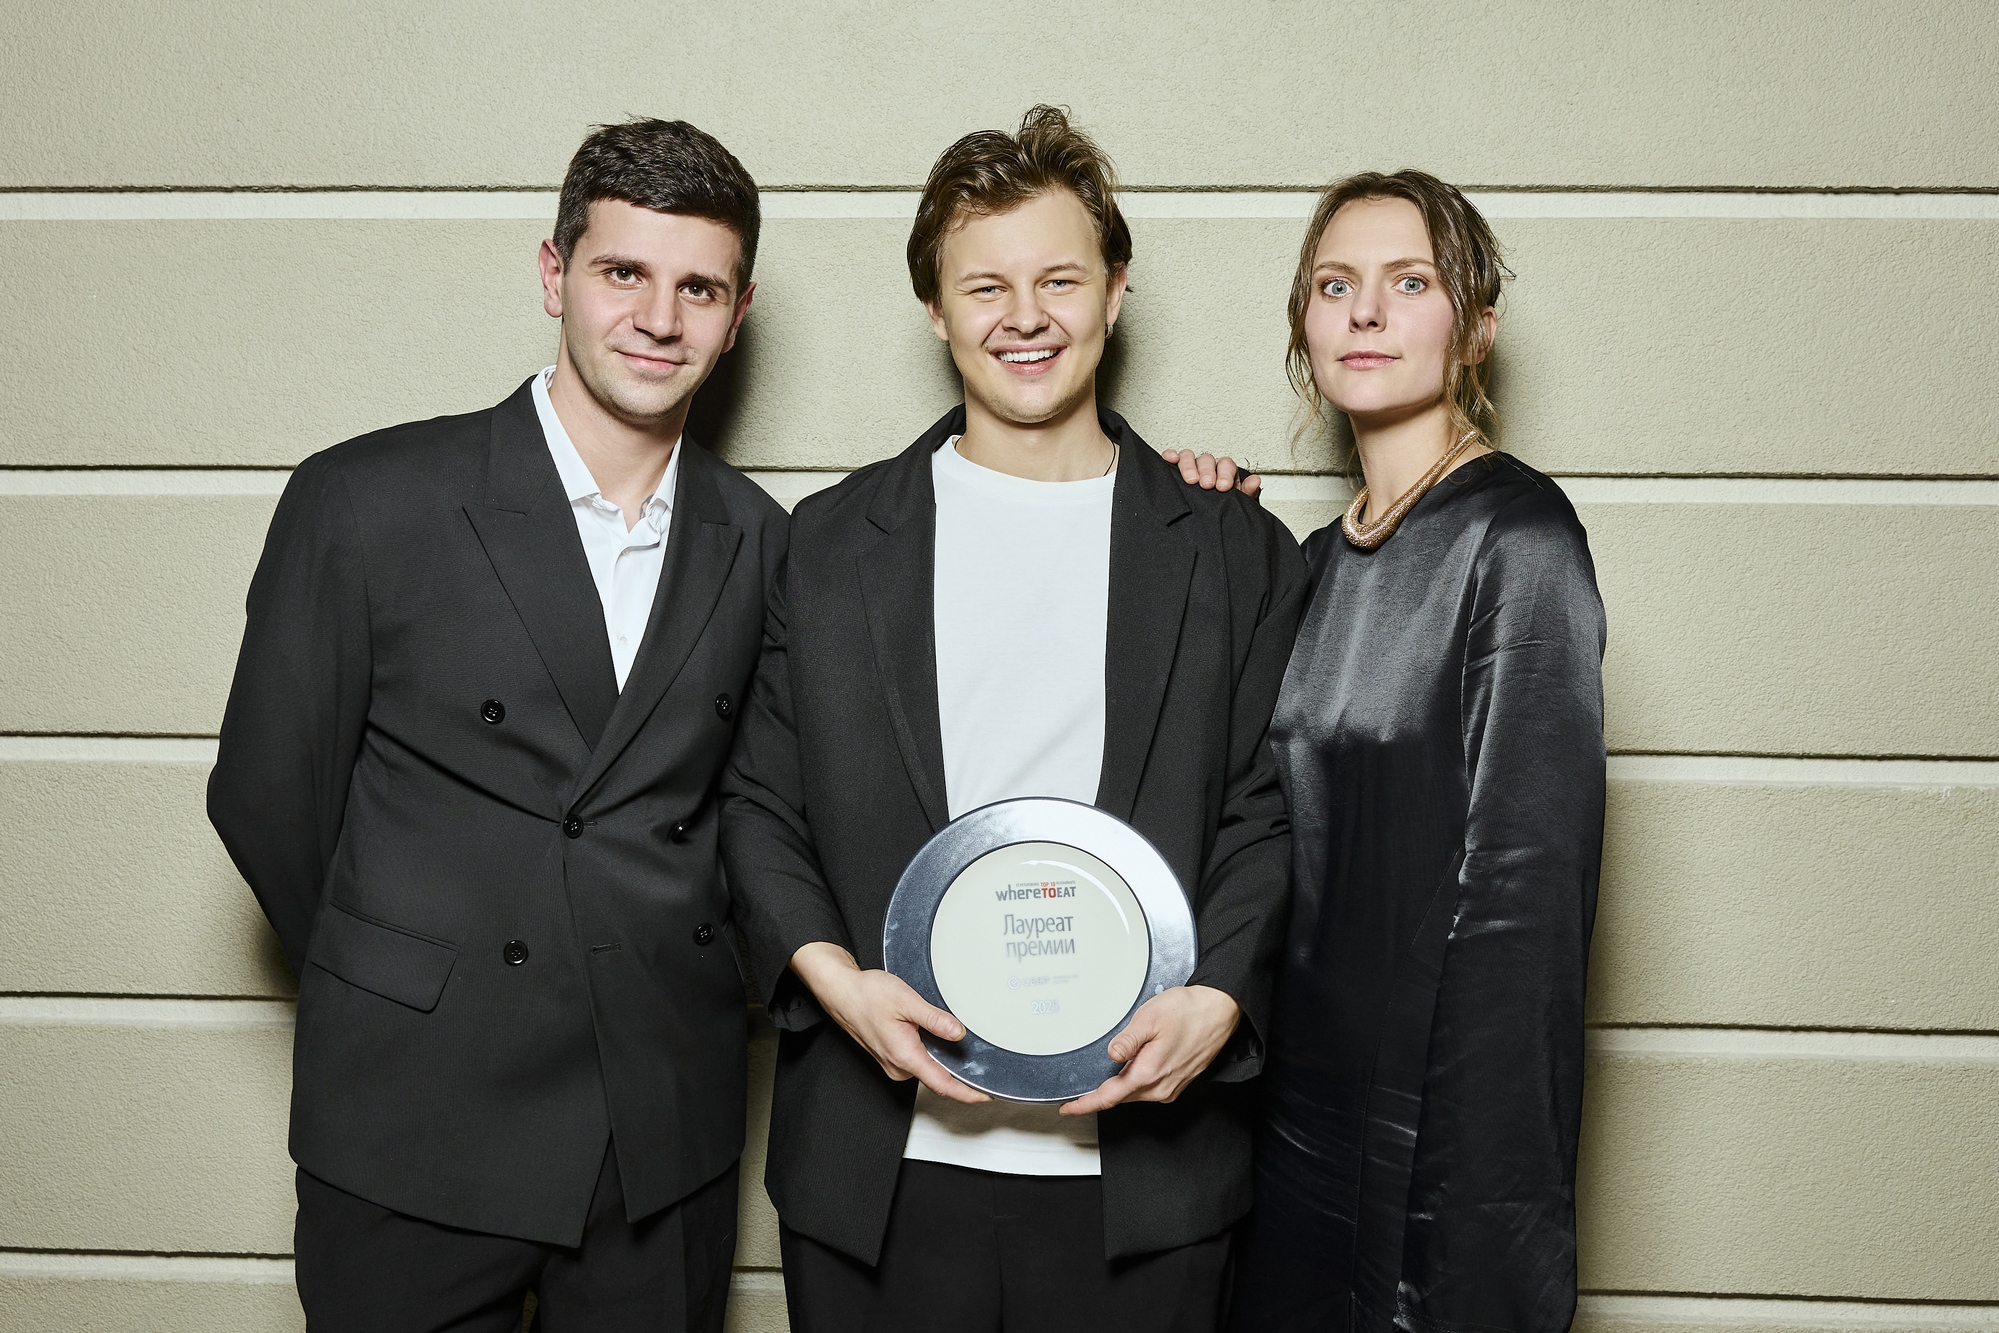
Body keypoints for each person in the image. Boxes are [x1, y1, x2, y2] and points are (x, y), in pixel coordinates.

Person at [719, 106, 1306, 1333]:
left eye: (1059, 280)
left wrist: (1221, 998)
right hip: (880, 1170)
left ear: (1116, 289)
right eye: (984, 286)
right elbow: (759, 805)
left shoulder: (1230, 547)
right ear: (935, 311)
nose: (1023, 316)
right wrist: (838, 985)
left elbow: (1266, 809)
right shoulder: (827, 544)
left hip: (1145, 1177)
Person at [206, 118, 786, 1332]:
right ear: (553, 273)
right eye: (622, 272)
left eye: (698, 288)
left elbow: (761, 809)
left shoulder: (763, 538)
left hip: (659, 1129)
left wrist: (1159, 481)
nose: (658, 318)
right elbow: (268, 797)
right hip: (414, 1111)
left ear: (736, 316)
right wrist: (406, 980)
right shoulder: (367, 499)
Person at [1220, 172, 1607, 1333]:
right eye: (1334, 285)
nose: (1366, 312)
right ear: (1304, 323)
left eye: (1409, 281)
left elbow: (1523, 904)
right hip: (1287, 1120)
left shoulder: (1518, 540)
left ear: (1475, 325)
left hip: (1439, 1138)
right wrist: (1190, 527)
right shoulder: (1304, 564)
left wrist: (1466, 1213)